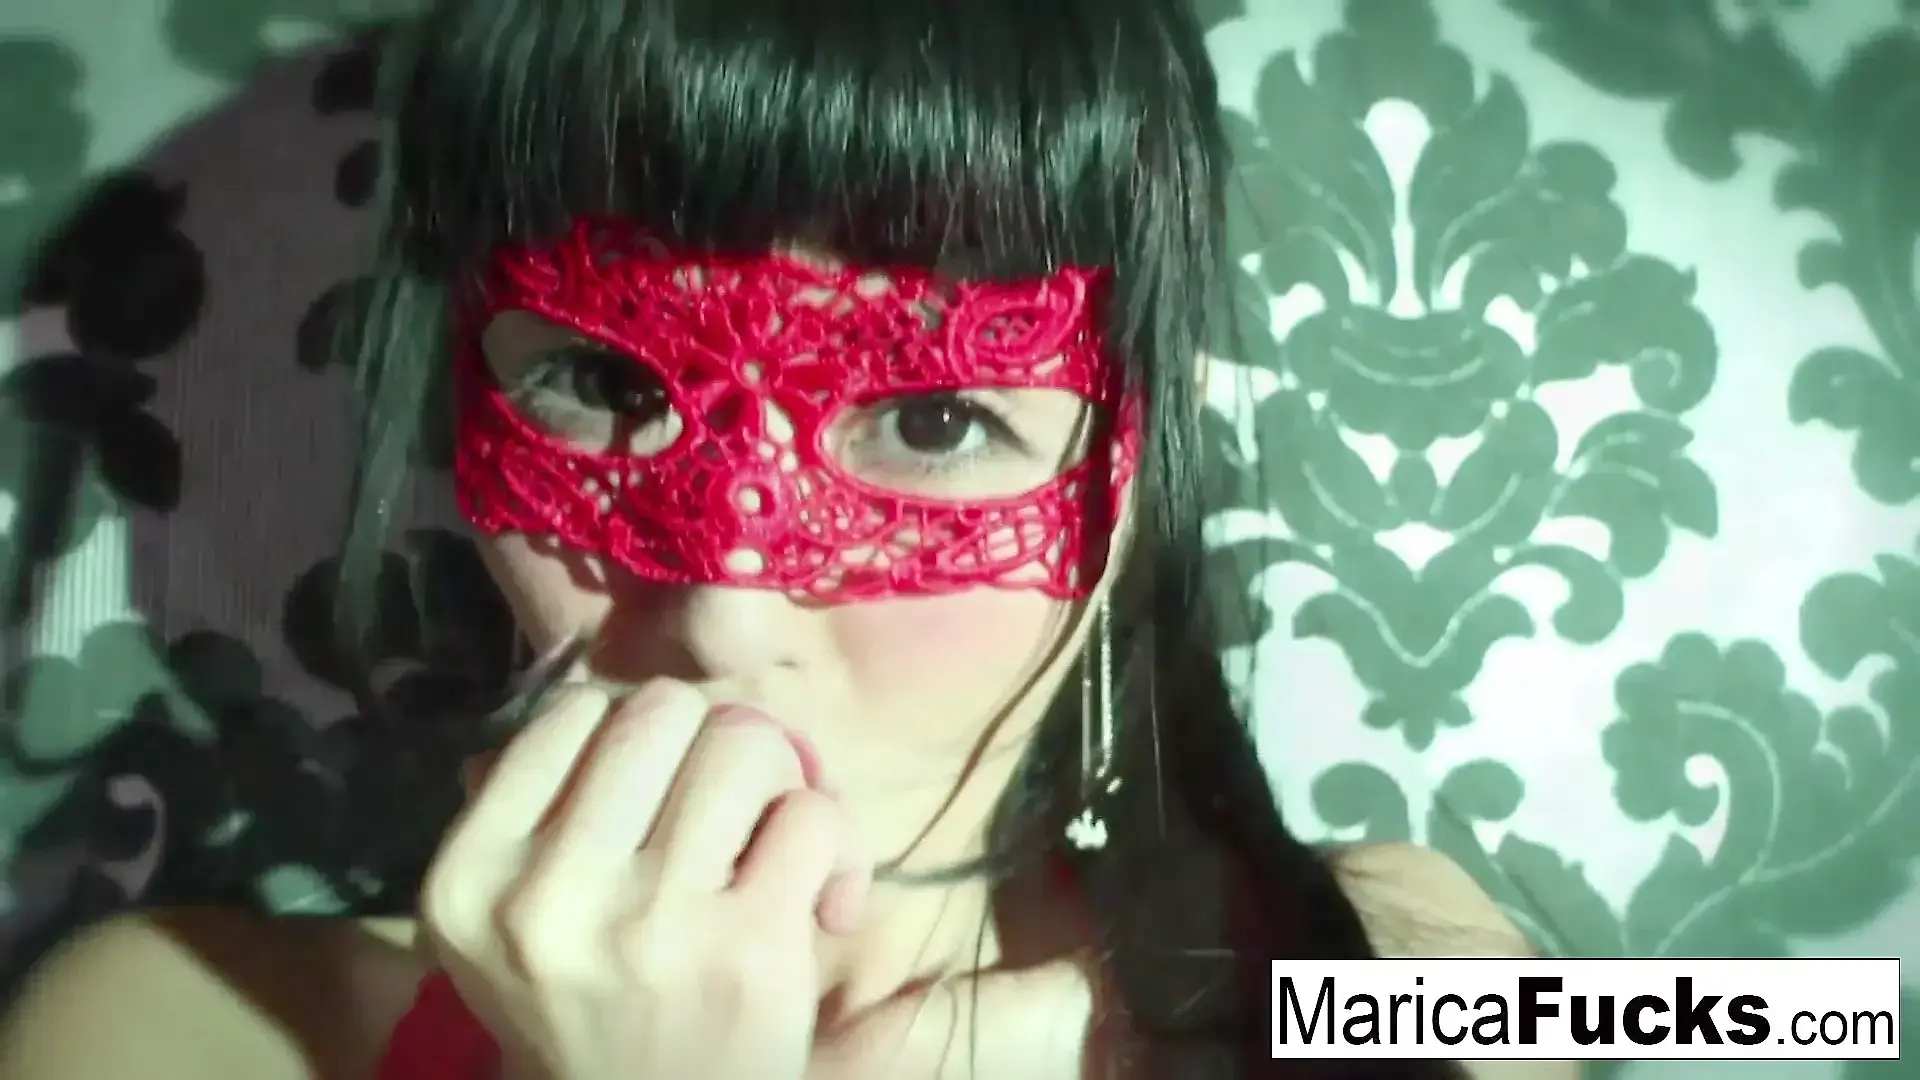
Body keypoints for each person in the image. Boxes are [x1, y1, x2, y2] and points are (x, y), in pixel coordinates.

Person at [0, 1, 1570, 1077]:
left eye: (936, 422)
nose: (725, 613)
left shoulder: (1401, 973)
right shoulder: (185, 1032)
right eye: (606, 384)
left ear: (1125, 478)